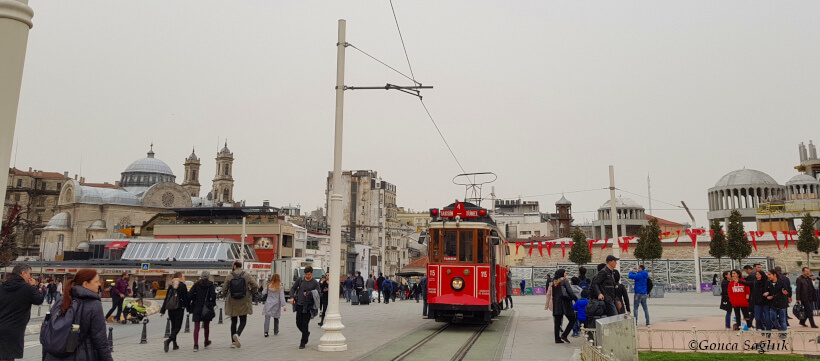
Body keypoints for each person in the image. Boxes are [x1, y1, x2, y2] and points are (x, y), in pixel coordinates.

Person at [42, 269, 113, 361]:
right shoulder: (94, 304)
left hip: (52, 357)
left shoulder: (61, 300)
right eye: (96, 281)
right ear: (85, 284)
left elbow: (47, 331)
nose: (99, 284)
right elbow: (100, 341)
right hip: (81, 356)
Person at [0, 264, 45, 360]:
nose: (30, 277)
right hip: (14, 331)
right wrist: (35, 286)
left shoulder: (2, 287)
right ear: (23, 273)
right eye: (30, 274)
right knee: (8, 357)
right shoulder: (27, 288)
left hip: (2, 326)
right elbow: (39, 300)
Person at [222, 261, 258, 349]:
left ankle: (233, 342)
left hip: (233, 301)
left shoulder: (230, 276)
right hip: (243, 300)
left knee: (233, 321)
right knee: (243, 320)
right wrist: (250, 293)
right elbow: (255, 285)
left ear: (234, 266)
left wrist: (225, 295)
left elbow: (224, 289)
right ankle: (237, 334)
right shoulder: (246, 275)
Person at [290, 266, 320, 349]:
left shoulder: (314, 282)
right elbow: (293, 288)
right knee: (298, 323)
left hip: (308, 306)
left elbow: (318, 293)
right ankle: (306, 333)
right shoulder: (300, 280)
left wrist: (309, 293)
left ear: (312, 273)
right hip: (299, 305)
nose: (307, 276)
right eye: (306, 274)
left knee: (305, 323)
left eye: (309, 274)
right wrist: (292, 297)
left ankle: (303, 342)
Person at [160, 272, 189, 353]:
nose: (184, 278)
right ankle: (168, 341)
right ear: (180, 277)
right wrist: (189, 309)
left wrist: (163, 311)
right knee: (178, 327)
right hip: (179, 309)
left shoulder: (171, 286)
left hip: (170, 309)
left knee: (173, 326)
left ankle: (175, 344)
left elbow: (167, 298)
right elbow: (186, 298)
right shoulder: (182, 285)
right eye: (183, 276)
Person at [188, 270, 216, 352]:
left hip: (197, 307)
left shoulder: (196, 284)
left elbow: (189, 295)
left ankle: (196, 345)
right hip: (206, 308)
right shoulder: (210, 285)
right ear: (208, 276)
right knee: (206, 326)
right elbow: (213, 296)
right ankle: (206, 341)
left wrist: (194, 299)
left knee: (196, 327)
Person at [549, 269, 578, 344]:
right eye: (565, 272)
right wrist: (575, 299)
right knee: (572, 319)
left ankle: (557, 339)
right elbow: (570, 291)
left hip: (556, 303)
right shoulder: (565, 281)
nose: (566, 274)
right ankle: (564, 335)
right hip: (565, 303)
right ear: (562, 274)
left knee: (557, 322)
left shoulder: (553, 282)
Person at [765, 269, 789, 337]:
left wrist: (785, 293)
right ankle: (780, 330)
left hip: (781, 303)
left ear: (774, 275)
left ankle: (784, 334)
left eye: (769, 274)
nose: (768, 276)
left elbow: (786, 291)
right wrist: (767, 295)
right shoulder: (768, 283)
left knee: (782, 320)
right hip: (772, 304)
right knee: (772, 318)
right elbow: (766, 291)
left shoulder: (782, 283)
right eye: (768, 275)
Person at [262, 273, 286, 338]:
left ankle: (266, 332)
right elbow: (281, 297)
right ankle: (276, 331)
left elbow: (263, 293)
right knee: (276, 317)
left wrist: (267, 287)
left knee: (267, 317)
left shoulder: (268, 285)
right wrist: (284, 305)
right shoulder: (280, 287)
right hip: (276, 304)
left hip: (269, 303)